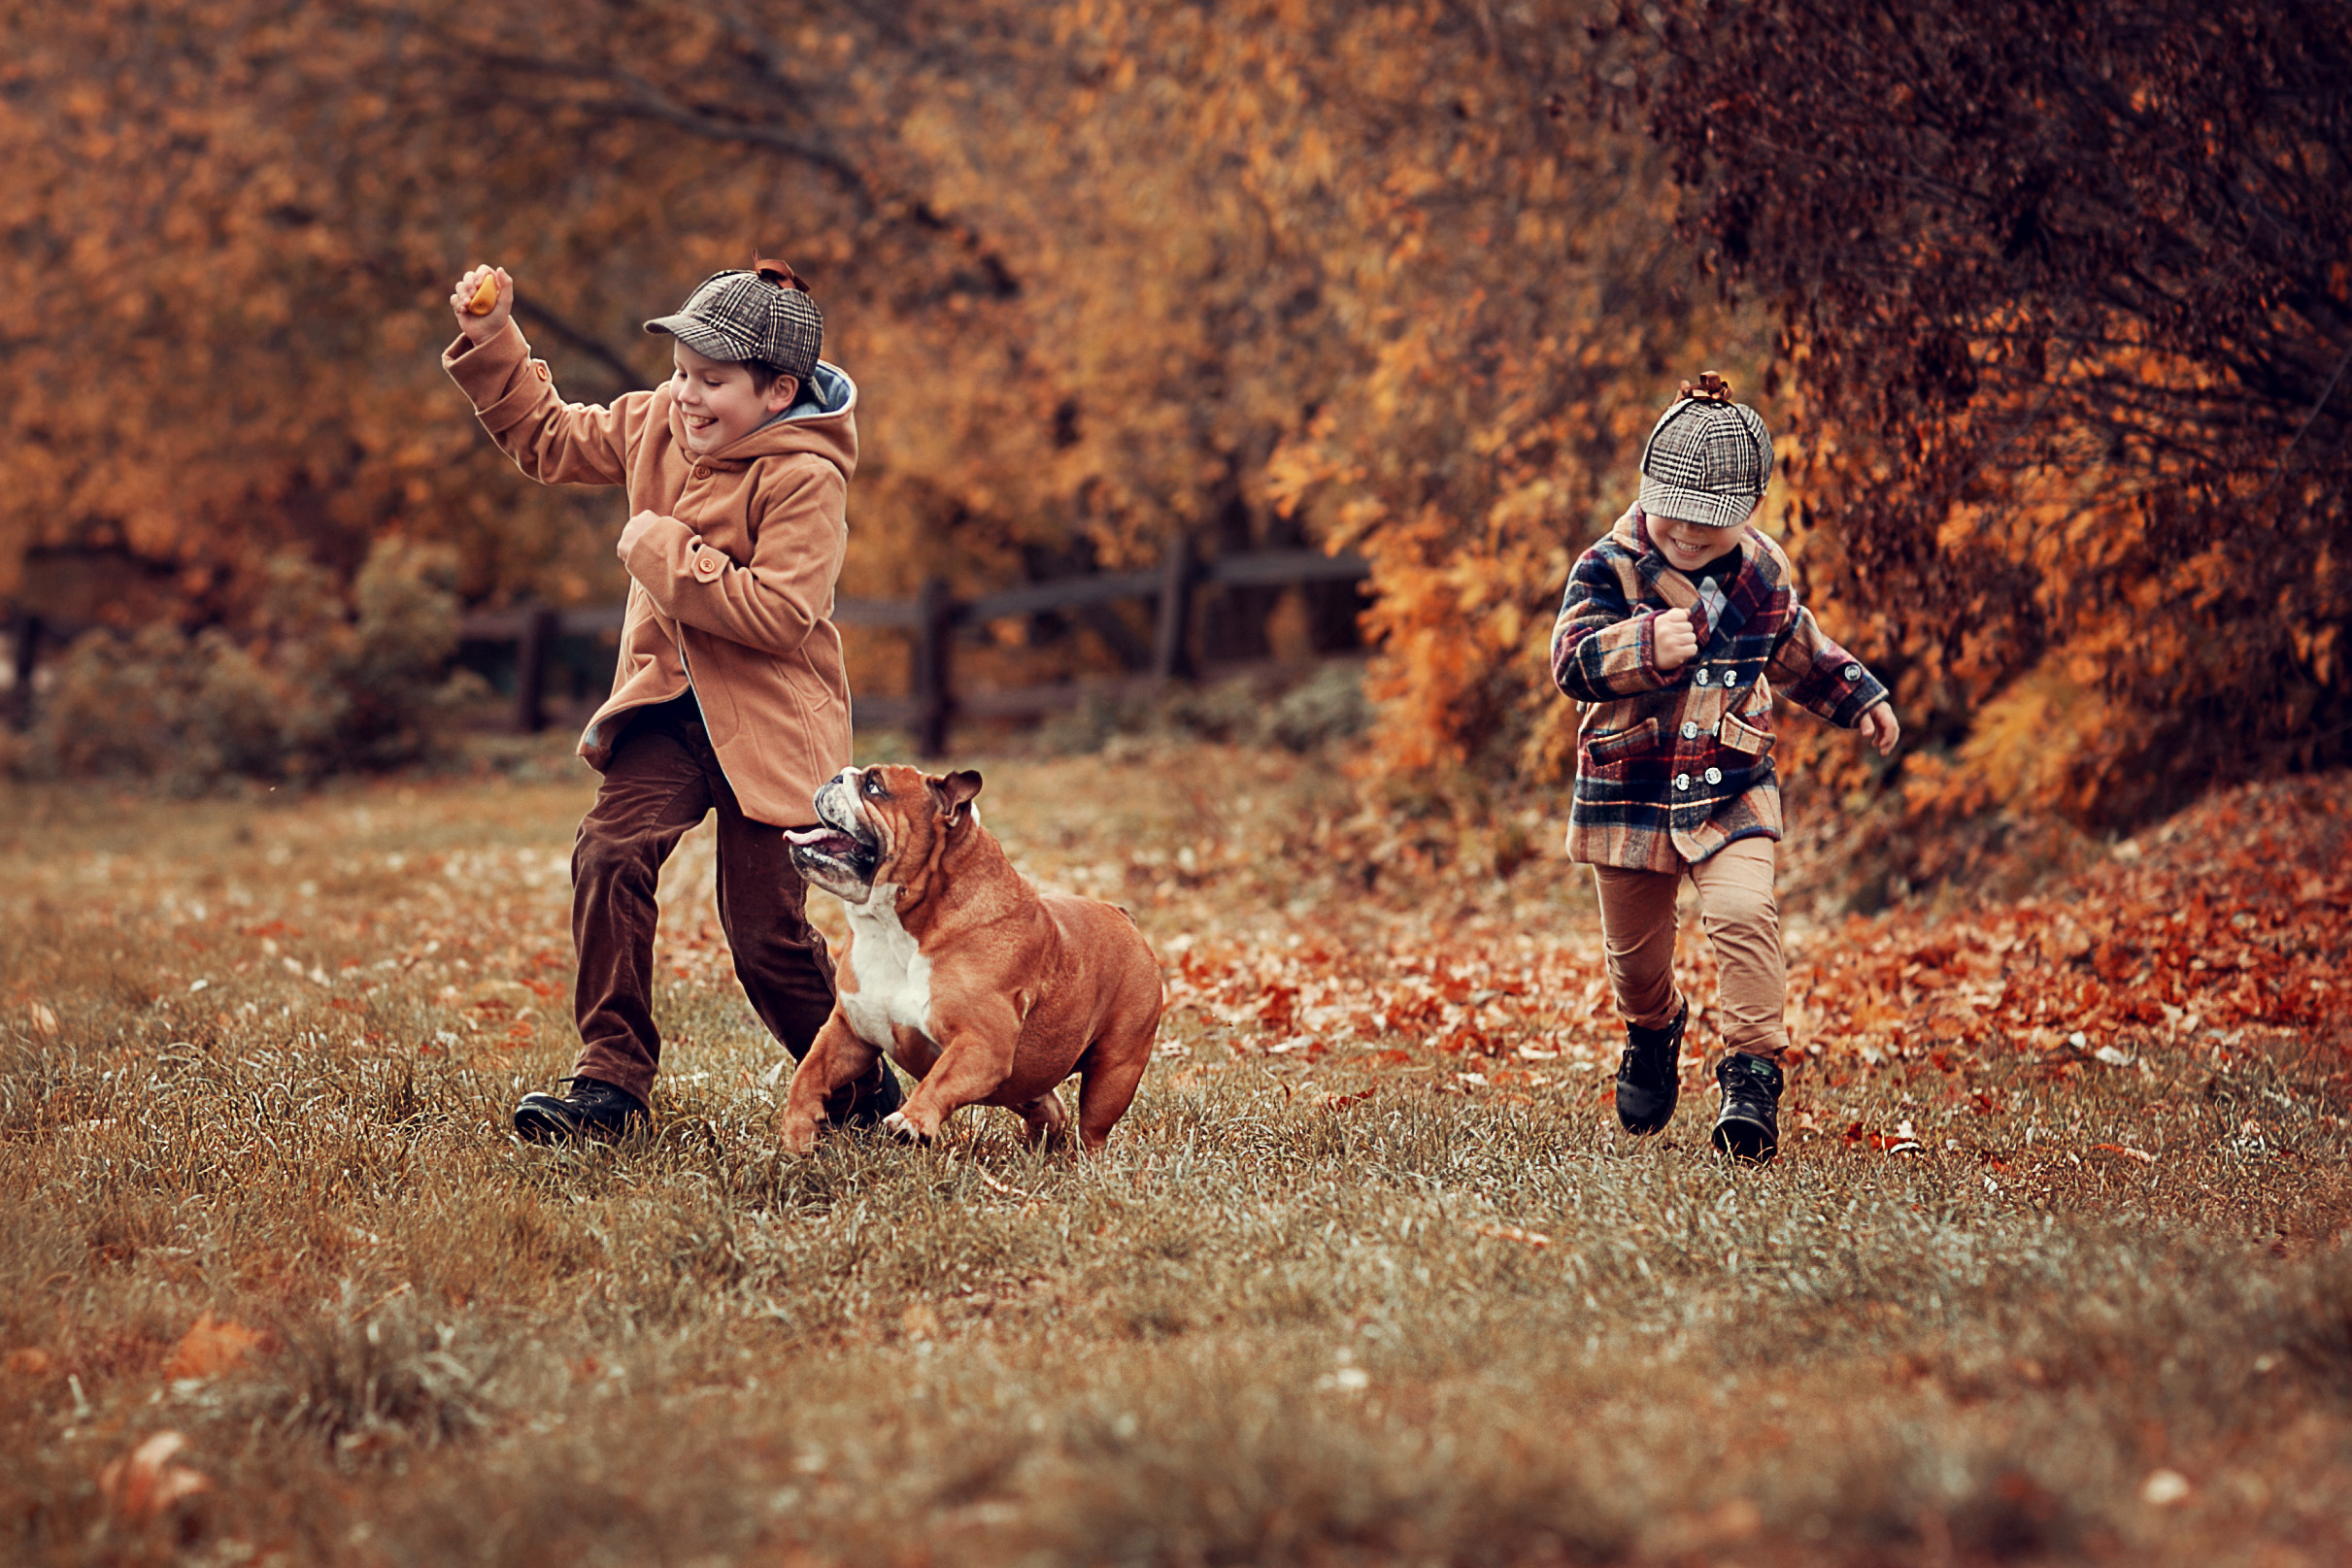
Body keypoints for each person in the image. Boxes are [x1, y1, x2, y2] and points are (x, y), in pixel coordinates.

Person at [441, 259, 900, 1142]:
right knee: (609, 853)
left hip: (772, 725)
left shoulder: (807, 477)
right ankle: (609, 1086)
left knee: (764, 933)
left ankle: (853, 1087)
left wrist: (662, 553)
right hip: (666, 710)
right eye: (681, 371)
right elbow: (547, 438)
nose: (685, 396)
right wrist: (495, 338)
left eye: (711, 381)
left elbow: (777, 613)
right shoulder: (656, 419)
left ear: (777, 390)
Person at [1550, 372, 1899, 1161]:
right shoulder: (1608, 567)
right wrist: (1642, 647)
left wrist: (1857, 695)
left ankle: (1751, 1073)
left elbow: (1796, 646)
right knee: (1636, 968)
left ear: (1747, 514)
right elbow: (1570, 661)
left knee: (1744, 913)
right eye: (1676, 513)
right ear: (1647, 490)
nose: (1689, 534)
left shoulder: (1761, 574)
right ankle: (1654, 1028)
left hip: (1730, 781)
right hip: (1629, 786)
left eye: (1712, 524)